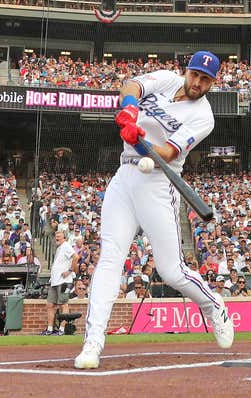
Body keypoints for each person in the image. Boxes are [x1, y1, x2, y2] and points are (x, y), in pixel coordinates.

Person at [75, 51, 233, 369]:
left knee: (171, 270)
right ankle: (92, 343)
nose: (197, 82)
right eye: (194, 74)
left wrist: (139, 138)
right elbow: (131, 85)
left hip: (159, 181)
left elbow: (168, 150)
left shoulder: (204, 116)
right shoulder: (166, 78)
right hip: (125, 176)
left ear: (212, 84)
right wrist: (130, 110)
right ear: (186, 71)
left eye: (205, 79)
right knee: (109, 259)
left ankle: (214, 303)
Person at [42, 231, 78, 336]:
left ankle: (61, 330)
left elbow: (76, 257)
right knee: (50, 304)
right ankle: (49, 329)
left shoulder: (66, 246)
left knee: (63, 305)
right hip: (55, 281)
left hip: (64, 282)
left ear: (64, 238)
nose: (57, 238)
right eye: (56, 236)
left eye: (59, 236)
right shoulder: (59, 248)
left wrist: (70, 270)